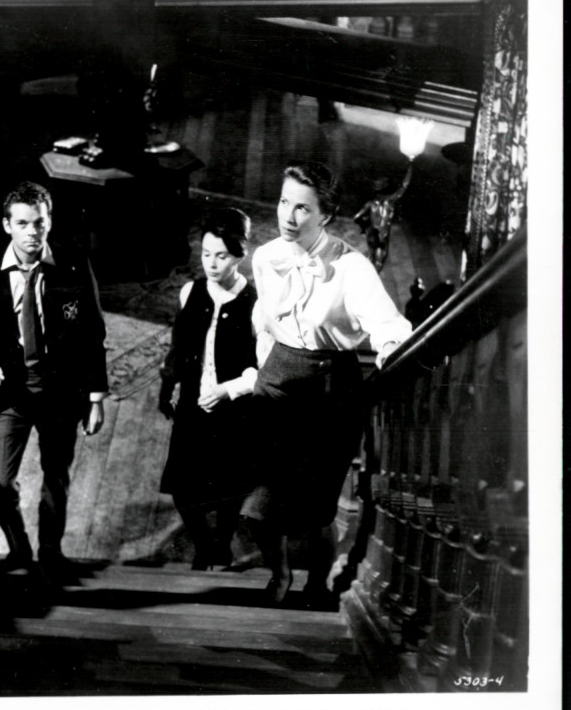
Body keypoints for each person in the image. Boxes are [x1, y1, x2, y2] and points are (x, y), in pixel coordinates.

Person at [245, 161, 411, 609]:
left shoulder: (352, 267)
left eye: (302, 208)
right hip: (277, 381)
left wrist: (389, 349)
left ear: (327, 215)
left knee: (317, 508)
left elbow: (389, 326)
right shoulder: (265, 257)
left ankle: (316, 584)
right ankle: (279, 572)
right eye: (284, 202)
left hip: (329, 390)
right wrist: (263, 366)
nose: (288, 215)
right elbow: (265, 320)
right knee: (259, 505)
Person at [0, 181, 107, 584]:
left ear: (49, 222)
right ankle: (19, 547)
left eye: (39, 223)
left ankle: (50, 553)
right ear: (7, 225)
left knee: (56, 476)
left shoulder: (73, 264)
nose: (32, 232)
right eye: (22, 223)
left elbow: (93, 332)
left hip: (61, 389)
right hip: (10, 390)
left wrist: (96, 397)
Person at [157, 208, 258, 571]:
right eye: (206, 254)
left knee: (230, 487)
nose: (212, 264)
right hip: (192, 404)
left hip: (235, 410)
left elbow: (260, 369)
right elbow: (178, 348)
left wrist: (229, 390)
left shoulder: (255, 304)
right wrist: (167, 386)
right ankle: (204, 545)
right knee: (184, 488)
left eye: (222, 256)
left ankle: (223, 543)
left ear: (240, 255)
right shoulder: (191, 292)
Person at [352, 159, 414, 271]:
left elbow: (356, 217)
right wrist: (410, 167)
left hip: (371, 233)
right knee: (379, 262)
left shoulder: (370, 203)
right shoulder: (389, 201)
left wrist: (366, 226)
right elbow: (404, 186)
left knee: (372, 258)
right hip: (382, 235)